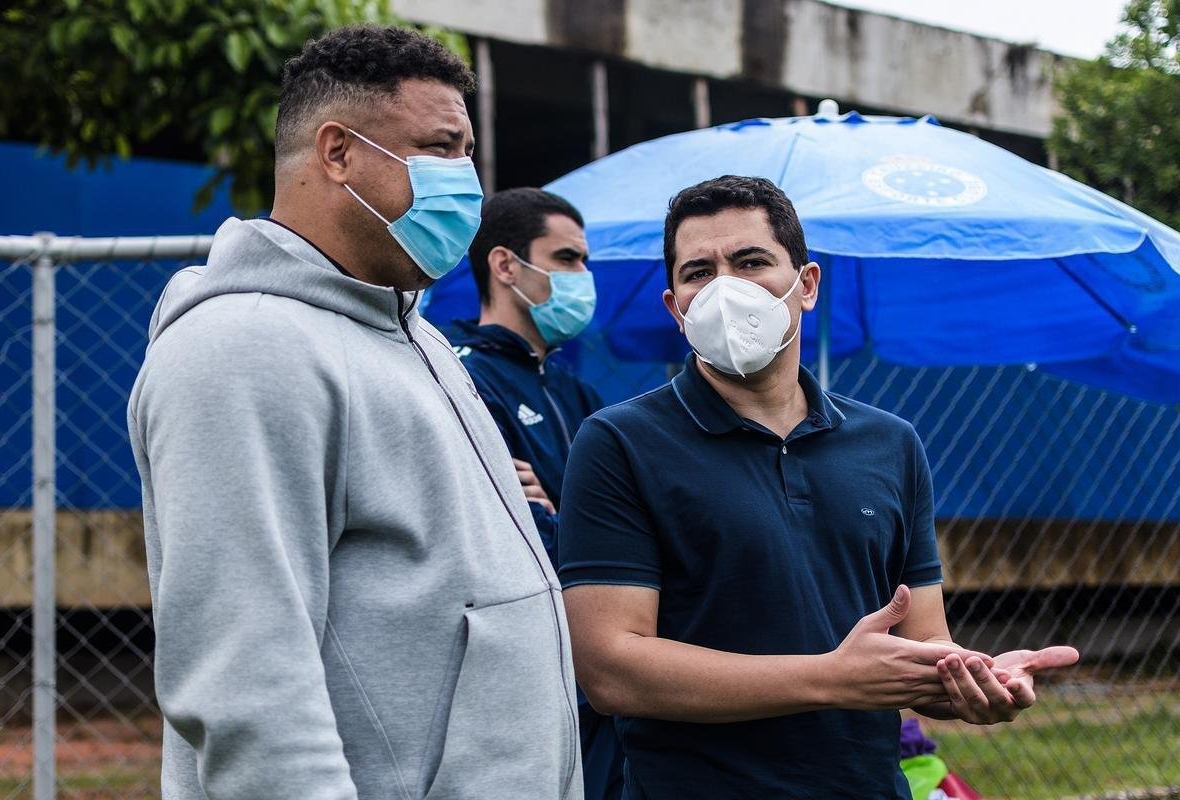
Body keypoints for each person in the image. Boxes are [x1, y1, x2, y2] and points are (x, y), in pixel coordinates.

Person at [128, 26, 581, 800]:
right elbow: (249, 686)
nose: (466, 183)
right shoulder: (244, 347)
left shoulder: (420, 339)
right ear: (337, 152)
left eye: (467, 153)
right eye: (440, 150)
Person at [558, 175, 1079, 799]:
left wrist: (969, 679)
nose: (727, 288)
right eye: (700, 271)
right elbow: (612, 669)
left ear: (806, 286)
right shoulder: (619, 442)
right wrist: (831, 678)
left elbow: (921, 641)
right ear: (676, 307)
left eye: (752, 261)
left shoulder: (890, 443)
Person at [445, 187, 622, 800]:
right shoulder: (461, 378)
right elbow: (509, 532)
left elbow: (630, 534)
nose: (583, 277)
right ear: (504, 266)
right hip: (515, 665)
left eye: (584, 262)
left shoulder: (579, 394)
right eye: (568, 259)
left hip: (596, 663)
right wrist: (591, 538)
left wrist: (561, 518)